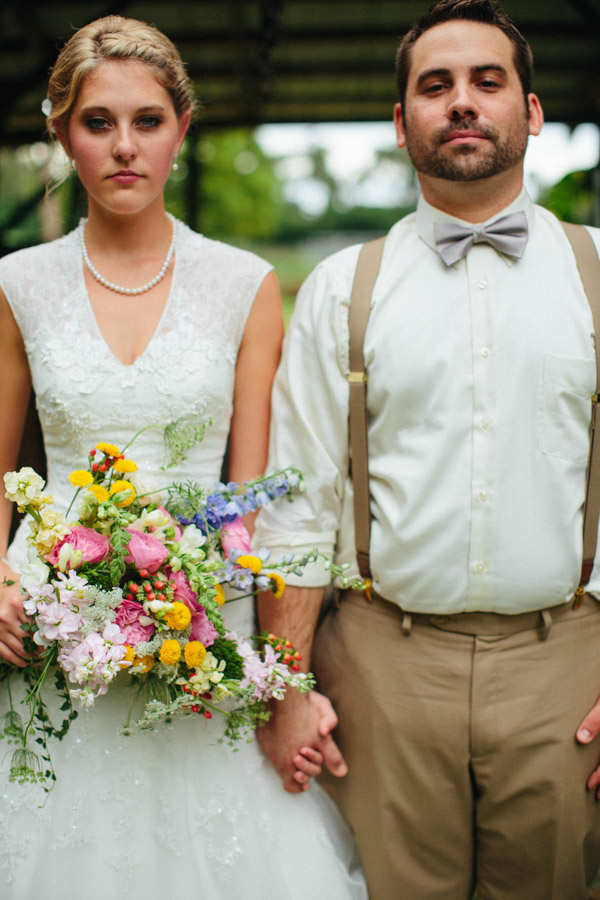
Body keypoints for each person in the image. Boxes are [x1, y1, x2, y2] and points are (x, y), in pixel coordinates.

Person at [0, 16, 368, 899]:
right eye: (97, 123)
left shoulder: (244, 283)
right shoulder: (16, 282)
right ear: (61, 134)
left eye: (148, 120)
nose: (124, 146)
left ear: (181, 128)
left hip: (203, 626)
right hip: (45, 627)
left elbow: (251, 498)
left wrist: (269, 673)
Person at [254, 1, 600, 898]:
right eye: (434, 86)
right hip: (383, 669)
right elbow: (298, 506)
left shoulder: (598, 274)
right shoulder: (342, 288)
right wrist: (286, 688)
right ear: (401, 122)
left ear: (530, 110)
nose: (462, 102)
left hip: (565, 664)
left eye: (488, 81)